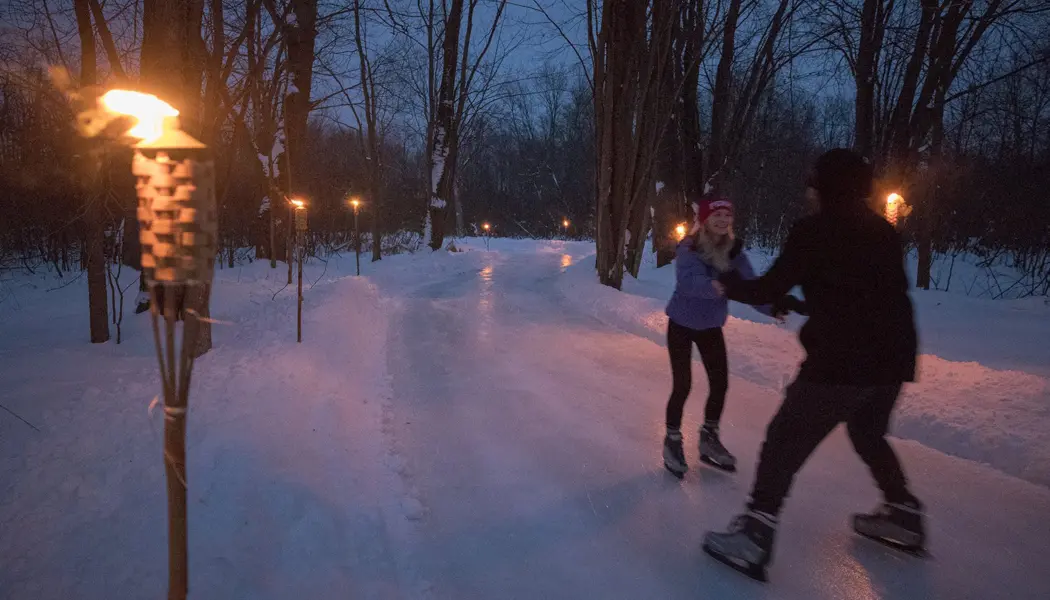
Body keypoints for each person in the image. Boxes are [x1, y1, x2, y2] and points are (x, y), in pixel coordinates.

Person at [701, 149, 925, 582]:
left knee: (784, 440)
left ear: (824, 186)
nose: (808, 189)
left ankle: (754, 533)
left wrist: (726, 277)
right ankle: (903, 513)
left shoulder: (814, 230)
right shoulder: (883, 231)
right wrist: (801, 300)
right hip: (894, 356)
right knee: (867, 432)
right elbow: (865, 290)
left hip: (842, 360)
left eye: (813, 182)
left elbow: (769, 284)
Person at [662, 196, 804, 478]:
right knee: (683, 385)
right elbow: (689, 283)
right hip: (681, 324)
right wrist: (720, 284)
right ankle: (673, 440)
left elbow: (750, 287)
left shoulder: (735, 252)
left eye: (727, 215)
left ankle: (709, 438)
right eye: (717, 214)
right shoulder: (688, 247)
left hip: (711, 326)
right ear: (704, 219)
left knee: (720, 383)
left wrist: (773, 306)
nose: (723, 219)